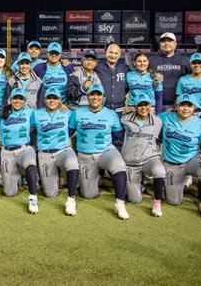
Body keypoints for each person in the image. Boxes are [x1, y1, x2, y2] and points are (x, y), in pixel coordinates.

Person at [70, 84, 128, 219]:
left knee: (118, 165)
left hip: (105, 151)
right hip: (85, 155)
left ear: (103, 97)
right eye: (92, 94)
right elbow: (69, 132)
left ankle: (120, 203)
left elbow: (119, 135)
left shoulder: (111, 114)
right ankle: (96, 179)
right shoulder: (77, 112)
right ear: (88, 97)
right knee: (88, 194)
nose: (95, 97)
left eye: (98, 95)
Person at [159, 94, 201, 219]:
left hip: (191, 160)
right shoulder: (165, 117)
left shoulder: (200, 123)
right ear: (176, 106)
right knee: (173, 201)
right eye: (182, 105)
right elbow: (148, 116)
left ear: (194, 107)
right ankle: (181, 181)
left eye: (189, 105)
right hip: (172, 163)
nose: (185, 109)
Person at [32, 87, 80, 216]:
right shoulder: (36, 113)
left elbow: (74, 125)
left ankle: (71, 199)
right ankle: (57, 178)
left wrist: (66, 137)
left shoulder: (67, 112)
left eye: (55, 98)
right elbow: (25, 125)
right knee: (50, 194)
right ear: (44, 99)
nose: (52, 100)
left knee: (73, 163)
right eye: (49, 98)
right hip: (45, 153)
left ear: (60, 100)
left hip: (63, 150)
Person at [119, 93, 166, 217]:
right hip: (130, 162)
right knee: (134, 199)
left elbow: (160, 139)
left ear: (150, 106)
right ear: (135, 106)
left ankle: (157, 202)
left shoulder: (158, 121)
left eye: (146, 104)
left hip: (148, 159)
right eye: (140, 105)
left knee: (160, 171)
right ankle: (140, 186)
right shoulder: (124, 119)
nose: (143, 107)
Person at [0, 88, 40, 214]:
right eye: (15, 98)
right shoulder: (1, 113)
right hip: (7, 151)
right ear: (10, 100)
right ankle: (17, 177)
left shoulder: (30, 112)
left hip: (24, 148)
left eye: (20, 98)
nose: (17, 101)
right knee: (9, 193)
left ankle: (33, 197)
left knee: (30, 162)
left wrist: (61, 105)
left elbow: (46, 114)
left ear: (24, 101)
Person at [148, 32, 190, 110]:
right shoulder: (151, 60)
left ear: (175, 44)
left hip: (179, 105)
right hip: (155, 104)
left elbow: (192, 79)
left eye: (170, 41)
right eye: (163, 41)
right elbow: (145, 78)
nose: (166, 43)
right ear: (160, 44)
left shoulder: (184, 60)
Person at [93, 44, 128, 115]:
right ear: (105, 52)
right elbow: (84, 67)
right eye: (110, 52)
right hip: (102, 109)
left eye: (116, 53)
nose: (113, 56)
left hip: (120, 110)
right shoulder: (97, 67)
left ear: (119, 55)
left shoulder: (125, 68)